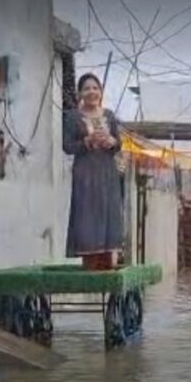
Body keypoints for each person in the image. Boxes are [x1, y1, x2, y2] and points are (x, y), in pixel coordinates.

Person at [63, 73, 124, 271]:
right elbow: (67, 146)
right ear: (80, 93)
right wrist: (87, 142)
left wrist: (111, 141)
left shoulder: (109, 116)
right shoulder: (73, 117)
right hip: (85, 174)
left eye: (95, 88)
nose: (92, 92)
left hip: (107, 173)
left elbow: (118, 144)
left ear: (101, 92)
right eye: (87, 88)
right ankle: (89, 263)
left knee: (108, 213)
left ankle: (109, 263)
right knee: (87, 215)